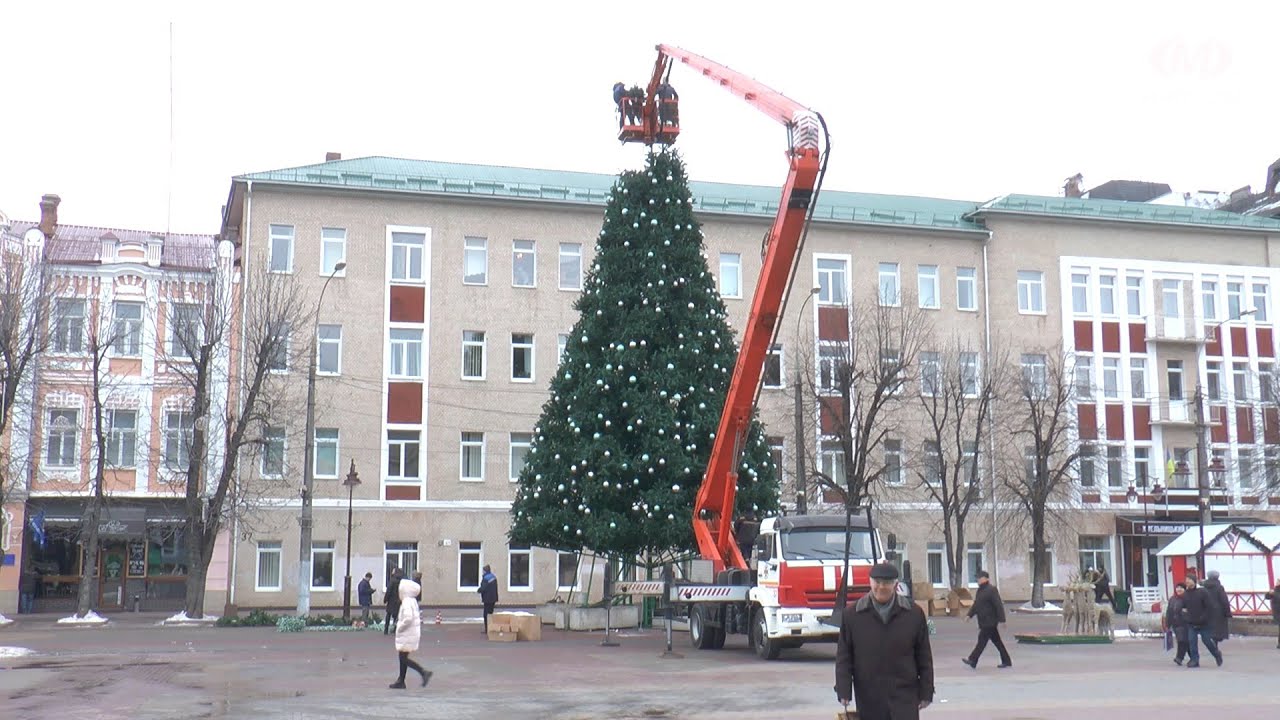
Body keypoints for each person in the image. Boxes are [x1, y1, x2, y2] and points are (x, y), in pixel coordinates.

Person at [834, 562, 934, 720]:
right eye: (877, 582)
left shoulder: (913, 614)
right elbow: (844, 657)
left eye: (886, 583)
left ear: (895, 585)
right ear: (870, 582)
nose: (881, 587)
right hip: (869, 696)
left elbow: (924, 656)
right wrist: (843, 690)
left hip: (904, 695)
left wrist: (926, 691)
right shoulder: (852, 615)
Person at [390, 571, 432, 689]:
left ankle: (423, 672)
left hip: (406, 633)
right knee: (402, 657)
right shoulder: (412, 600)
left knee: (403, 658)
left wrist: (400, 627)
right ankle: (401, 680)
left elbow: (408, 618)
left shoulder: (407, 601)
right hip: (410, 633)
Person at [963, 570, 1011, 669]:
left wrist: (1002, 620)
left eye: (979, 578)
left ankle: (973, 660)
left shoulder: (991, 590)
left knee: (982, 641)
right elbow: (976, 605)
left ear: (985, 578)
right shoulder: (980, 590)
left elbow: (998, 605)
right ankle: (1007, 661)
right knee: (997, 642)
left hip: (990, 621)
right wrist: (969, 615)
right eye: (977, 578)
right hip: (984, 621)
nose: (977, 580)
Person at [1179, 574, 1222, 668]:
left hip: (1204, 623)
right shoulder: (1186, 594)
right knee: (1192, 641)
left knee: (1207, 641)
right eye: (1186, 580)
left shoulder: (1202, 591)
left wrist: (1204, 617)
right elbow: (1183, 608)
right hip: (1191, 623)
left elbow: (1209, 607)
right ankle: (1195, 660)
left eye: (1189, 580)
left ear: (1194, 581)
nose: (1187, 582)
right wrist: (1186, 616)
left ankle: (1217, 654)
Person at [1202, 569, 1232, 645]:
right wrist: (1228, 612)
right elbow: (1224, 600)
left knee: (1209, 629)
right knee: (1217, 631)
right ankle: (1215, 645)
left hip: (1207, 610)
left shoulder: (1204, 587)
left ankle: (1211, 644)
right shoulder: (1219, 587)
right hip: (1218, 612)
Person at [1165, 583, 1190, 665]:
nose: (1179, 589)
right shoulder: (1172, 599)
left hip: (1185, 623)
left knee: (1182, 641)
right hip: (1175, 624)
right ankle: (1193, 658)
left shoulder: (1187, 598)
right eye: (1177, 587)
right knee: (1184, 641)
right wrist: (1167, 624)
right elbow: (1169, 612)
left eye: (1181, 588)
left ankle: (1179, 658)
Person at [478, 564, 499, 634]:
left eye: (483, 571)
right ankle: (491, 627)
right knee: (491, 613)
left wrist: (479, 590)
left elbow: (483, 588)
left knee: (486, 615)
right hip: (493, 598)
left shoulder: (485, 578)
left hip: (487, 599)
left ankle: (487, 629)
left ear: (485, 571)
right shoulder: (493, 577)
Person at [383, 567, 403, 636]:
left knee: (388, 615)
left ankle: (386, 629)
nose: (392, 571)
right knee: (396, 616)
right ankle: (395, 629)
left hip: (391, 600)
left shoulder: (392, 580)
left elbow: (389, 591)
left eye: (393, 571)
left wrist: (385, 599)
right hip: (399, 601)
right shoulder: (402, 581)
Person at [1264, 580, 1280, 649]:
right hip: (1278, 612)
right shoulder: (1274, 591)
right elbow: (1267, 597)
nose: (1277, 583)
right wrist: (1269, 593)